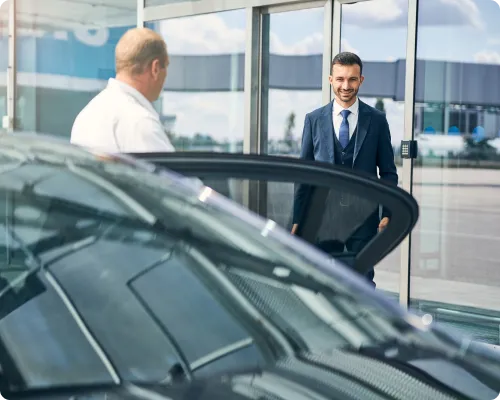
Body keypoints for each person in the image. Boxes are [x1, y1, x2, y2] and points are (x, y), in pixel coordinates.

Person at [291, 52, 398, 286]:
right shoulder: (314, 120)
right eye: (340, 79)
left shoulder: (377, 120)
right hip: (323, 219)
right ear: (331, 80)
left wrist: (388, 212)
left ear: (361, 80)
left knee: (363, 282)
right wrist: (298, 219)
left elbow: (388, 171)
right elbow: (304, 174)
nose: (345, 86)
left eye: (351, 79)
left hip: (364, 218)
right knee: (321, 280)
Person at [71, 27, 174, 153]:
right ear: (155, 68)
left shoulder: (87, 115)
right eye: (166, 67)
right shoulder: (140, 121)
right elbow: (168, 172)